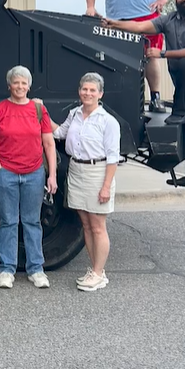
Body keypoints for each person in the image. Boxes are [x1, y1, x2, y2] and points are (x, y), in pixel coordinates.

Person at [101, 0, 185, 189]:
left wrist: (162, 53)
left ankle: (179, 111)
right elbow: (140, 26)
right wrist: (113, 23)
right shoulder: (169, 20)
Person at [0, 66, 58, 290]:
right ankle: (7, 269)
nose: (20, 87)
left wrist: (51, 174)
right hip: (6, 173)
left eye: (24, 83)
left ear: (29, 86)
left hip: (34, 173)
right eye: (16, 82)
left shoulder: (38, 110)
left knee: (32, 221)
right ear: (9, 85)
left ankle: (36, 269)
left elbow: (49, 143)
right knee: (8, 221)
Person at [50, 72, 120, 292]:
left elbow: (113, 156)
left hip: (97, 172)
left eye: (92, 90)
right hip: (76, 170)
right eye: (84, 89)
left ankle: (98, 273)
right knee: (87, 225)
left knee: (98, 226)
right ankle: (95, 269)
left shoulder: (108, 121)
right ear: (79, 91)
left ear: (100, 94)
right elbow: (59, 133)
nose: (87, 93)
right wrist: (41, 113)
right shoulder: (75, 114)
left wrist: (106, 186)